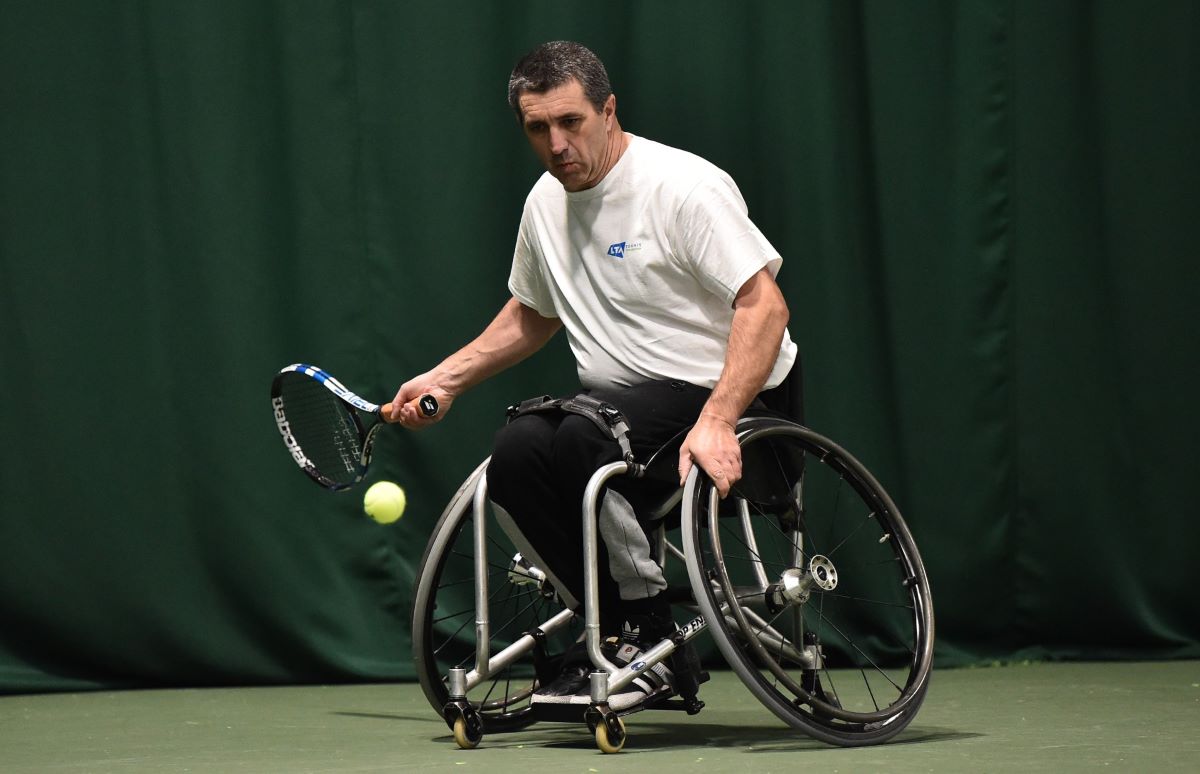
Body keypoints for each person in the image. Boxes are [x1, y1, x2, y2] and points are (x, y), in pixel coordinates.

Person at [384, 41, 797, 707]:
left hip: (730, 400)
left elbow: (764, 306)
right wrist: (446, 378)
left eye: (571, 122)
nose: (556, 144)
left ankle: (647, 633)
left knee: (583, 440)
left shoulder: (683, 187)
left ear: (609, 111)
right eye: (537, 128)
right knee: (516, 450)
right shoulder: (546, 204)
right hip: (618, 408)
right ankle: (615, 630)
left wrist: (719, 419)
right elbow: (532, 312)